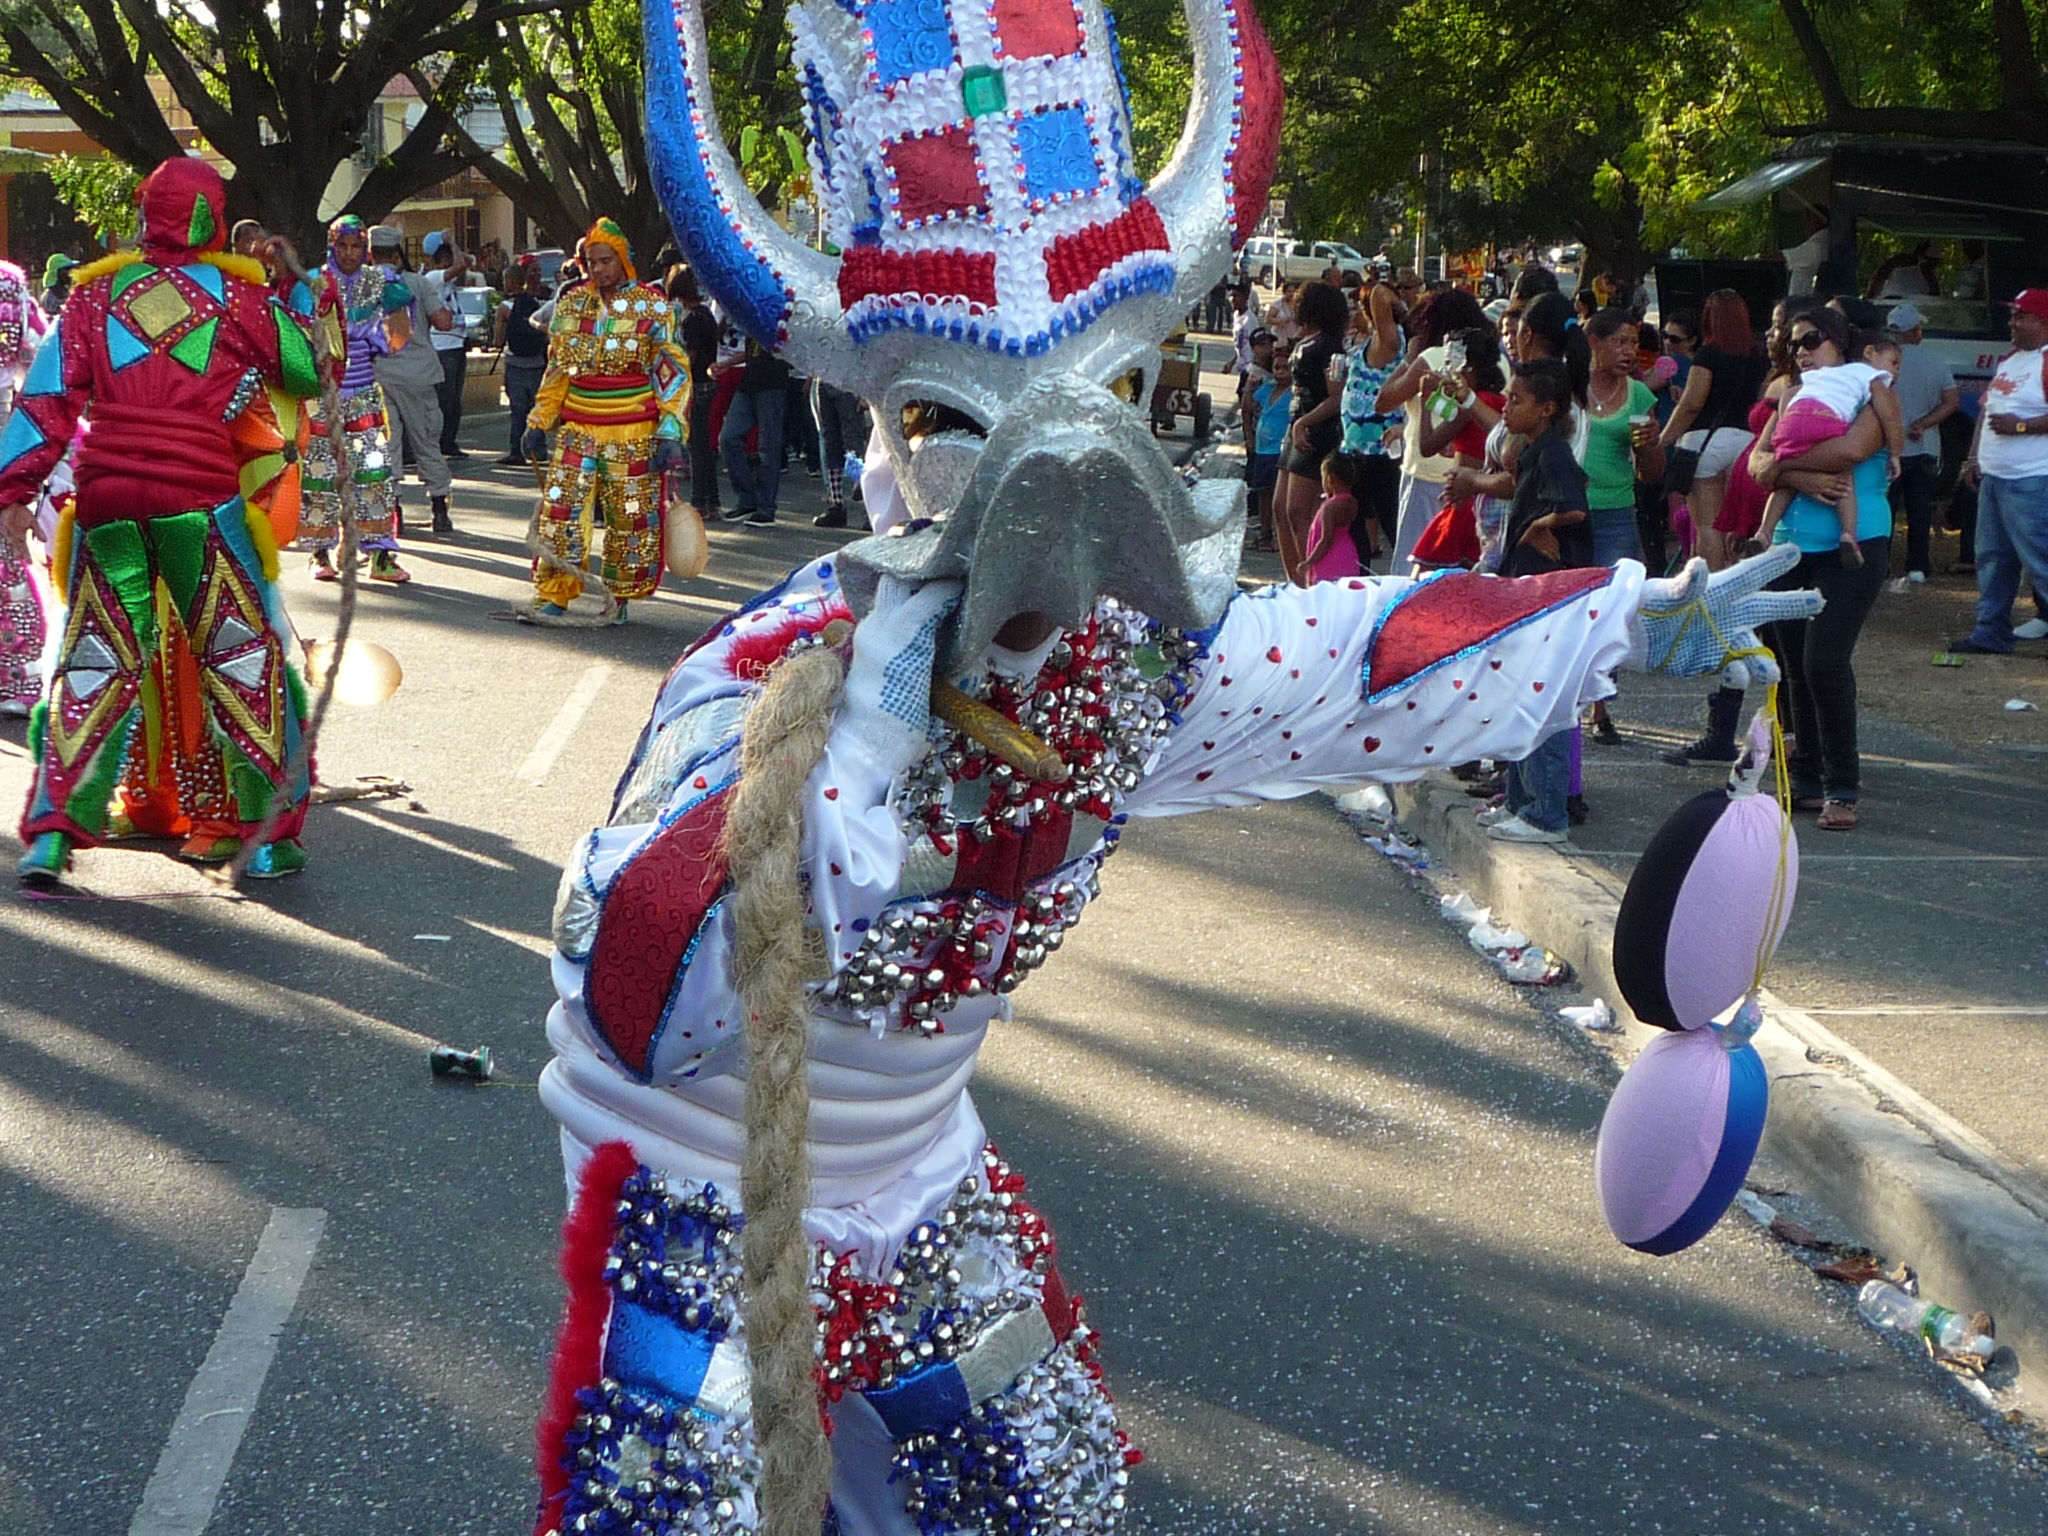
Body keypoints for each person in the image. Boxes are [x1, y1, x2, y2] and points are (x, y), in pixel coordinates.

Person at [0, 157, 322, 884]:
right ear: (211, 215)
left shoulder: (91, 297)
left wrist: (12, 491)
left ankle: (52, 833)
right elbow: (305, 369)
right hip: (197, 505)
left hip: (107, 499)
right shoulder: (239, 297)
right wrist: (291, 285)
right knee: (242, 659)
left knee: (91, 659)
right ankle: (267, 838)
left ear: (148, 213)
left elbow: (45, 399)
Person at [1747, 304, 1894, 831]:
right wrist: (1795, 477)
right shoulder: (1790, 393)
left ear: (1838, 341)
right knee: (1793, 667)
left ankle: (1842, 785)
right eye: (1793, 344)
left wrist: (1788, 468)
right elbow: (1755, 466)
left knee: (1824, 662)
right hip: (1789, 545)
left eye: (1811, 340)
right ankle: (1805, 776)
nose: (1801, 352)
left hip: (1853, 544)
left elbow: (1850, 451)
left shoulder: (1869, 392)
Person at [519, 219, 690, 622]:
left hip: (634, 431)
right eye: (591, 262)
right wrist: (539, 420)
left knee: (629, 517)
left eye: (605, 261)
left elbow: (672, 371)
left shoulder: (653, 306)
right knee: (561, 511)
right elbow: (558, 368)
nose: (597, 270)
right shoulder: (572, 303)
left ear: (623, 261)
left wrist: (670, 429)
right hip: (578, 429)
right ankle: (554, 595)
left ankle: (619, 597)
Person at [1480, 358, 1592, 844]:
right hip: (1523, 587)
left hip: (1548, 595)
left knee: (1542, 705)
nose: (1507, 406)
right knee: (1520, 702)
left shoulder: (1553, 453)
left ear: (1546, 410)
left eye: (1517, 400)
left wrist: (1539, 527)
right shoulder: (1530, 452)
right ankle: (1521, 801)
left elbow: (1574, 507)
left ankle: (1548, 814)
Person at [300, 215, 413, 584]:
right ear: (332, 246)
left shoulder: (379, 281)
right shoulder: (314, 283)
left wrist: (393, 314)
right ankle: (319, 552)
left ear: (365, 248)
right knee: (320, 474)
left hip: (364, 393)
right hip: (322, 396)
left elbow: (396, 340)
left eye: (356, 246)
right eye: (342, 245)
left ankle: (380, 555)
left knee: (374, 472)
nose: (349, 253)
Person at [1750, 329, 1903, 567]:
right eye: (1894, 363)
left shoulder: (1812, 381)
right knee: (1842, 474)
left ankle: (1763, 532)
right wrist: (1895, 452)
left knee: (1784, 486)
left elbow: (1768, 467)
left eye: (1811, 341)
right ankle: (1849, 533)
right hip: (1824, 419)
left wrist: (1783, 464)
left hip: (1797, 417)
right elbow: (1885, 420)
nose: (1896, 371)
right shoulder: (1872, 378)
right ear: (1869, 352)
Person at [1951, 288, 2048, 656]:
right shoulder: (2011, 360)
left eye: (2019, 316)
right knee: (1991, 556)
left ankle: (1993, 629)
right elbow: (1988, 413)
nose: (2012, 322)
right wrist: (1973, 458)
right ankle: (1990, 630)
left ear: (2041, 321)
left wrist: (2022, 427)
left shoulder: (2045, 361)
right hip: (1996, 475)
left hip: (2033, 478)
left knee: (2041, 557)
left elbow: (2011, 421)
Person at [1377, 287, 1490, 568]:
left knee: (1413, 565)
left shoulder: (1431, 358)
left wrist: (1408, 359)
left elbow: (1383, 401)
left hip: (1425, 475)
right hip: (1477, 478)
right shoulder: (1497, 360)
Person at [1659, 289, 1767, 571]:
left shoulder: (1708, 354)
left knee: (1707, 526)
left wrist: (1663, 439)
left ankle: (1712, 590)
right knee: (1736, 525)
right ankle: (1738, 583)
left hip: (1705, 440)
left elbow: (1692, 404)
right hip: (1745, 442)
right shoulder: (1758, 355)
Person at [367, 224, 455, 536]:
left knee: (387, 446)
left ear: (370, 253)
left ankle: (394, 513)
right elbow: (443, 322)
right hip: (419, 376)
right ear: (397, 252)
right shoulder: (417, 283)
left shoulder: (363, 286)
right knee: (427, 443)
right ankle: (440, 510)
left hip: (379, 376)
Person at [1272, 279, 1348, 577]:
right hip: (1295, 426)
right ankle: (1294, 580)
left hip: (1315, 429)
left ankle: (1312, 581)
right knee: (1280, 508)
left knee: (1298, 512)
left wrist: (1305, 421)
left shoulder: (1331, 348)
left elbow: (1336, 397)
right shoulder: (1305, 340)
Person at [1885, 302, 1959, 584]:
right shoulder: (1935, 361)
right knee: (1919, 508)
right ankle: (1918, 565)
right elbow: (1950, 402)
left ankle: (1882, 564)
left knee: (1886, 508)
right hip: (1924, 446)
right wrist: (1924, 423)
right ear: (1916, 331)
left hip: (1888, 446)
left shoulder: (1883, 362)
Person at [1335, 276, 1403, 560]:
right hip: (1356, 449)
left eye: (1359, 309)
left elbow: (1377, 293)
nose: (1355, 316)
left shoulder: (1389, 340)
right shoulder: (1364, 345)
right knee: (1354, 527)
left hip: (1378, 452)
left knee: (1390, 523)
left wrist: (1391, 298)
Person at [718, 332, 790, 526]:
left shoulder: (780, 314)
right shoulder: (750, 317)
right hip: (749, 380)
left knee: (768, 446)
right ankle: (747, 499)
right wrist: (726, 363)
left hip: (772, 382)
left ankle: (766, 508)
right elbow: (751, 352)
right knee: (728, 438)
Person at [673, 269, 721, 520]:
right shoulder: (706, 315)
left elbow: (689, 356)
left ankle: (699, 500)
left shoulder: (690, 318)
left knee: (697, 447)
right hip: (708, 381)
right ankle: (712, 500)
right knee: (703, 446)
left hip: (696, 384)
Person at [421, 230, 471, 459]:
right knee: (446, 398)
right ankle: (439, 441)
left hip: (456, 343)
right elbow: (461, 265)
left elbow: (467, 261)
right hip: (444, 346)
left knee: (455, 400)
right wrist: (451, 242)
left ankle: (449, 441)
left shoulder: (443, 279)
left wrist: (454, 245)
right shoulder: (433, 277)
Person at [498, 262, 549, 468]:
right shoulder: (536, 304)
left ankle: (516, 450)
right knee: (537, 408)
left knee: (517, 409)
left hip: (515, 363)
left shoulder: (505, 307)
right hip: (536, 364)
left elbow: (497, 339)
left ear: (510, 282)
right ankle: (538, 449)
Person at [1243, 328, 1289, 550]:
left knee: (1278, 497)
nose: (1280, 372)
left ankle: (1279, 537)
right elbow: (1248, 407)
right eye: (1277, 368)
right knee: (1262, 492)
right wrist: (1248, 389)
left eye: (1285, 368)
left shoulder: (1293, 393)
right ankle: (1264, 533)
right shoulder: (1266, 386)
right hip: (1262, 449)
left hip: (1279, 450)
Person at [1295, 449, 1365, 585]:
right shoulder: (1351, 501)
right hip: (1349, 555)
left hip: (1329, 560)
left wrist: (1309, 562)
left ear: (1329, 479)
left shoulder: (1330, 507)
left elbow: (1326, 540)